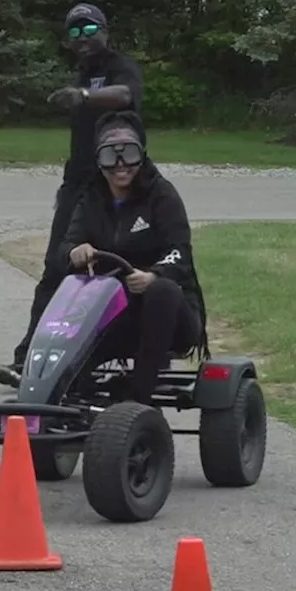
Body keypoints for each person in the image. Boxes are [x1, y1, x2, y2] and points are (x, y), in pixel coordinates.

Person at [0, 2, 145, 387]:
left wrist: (84, 96)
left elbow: (125, 95)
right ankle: (29, 358)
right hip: (78, 184)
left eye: (88, 29)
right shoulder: (83, 72)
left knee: (118, 267)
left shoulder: (119, 67)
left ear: (105, 30)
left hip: (119, 181)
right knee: (57, 268)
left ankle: (125, 355)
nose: (82, 38)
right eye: (74, 32)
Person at [57, 110, 210, 405]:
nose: (120, 166)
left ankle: (139, 398)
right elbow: (64, 249)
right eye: (109, 157)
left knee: (161, 291)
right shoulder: (91, 199)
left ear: (141, 155)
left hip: (172, 315)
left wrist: (154, 275)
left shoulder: (161, 195)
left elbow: (181, 252)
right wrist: (74, 252)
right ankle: (62, 395)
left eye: (128, 154)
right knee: (70, 289)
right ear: (98, 160)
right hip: (114, 311)